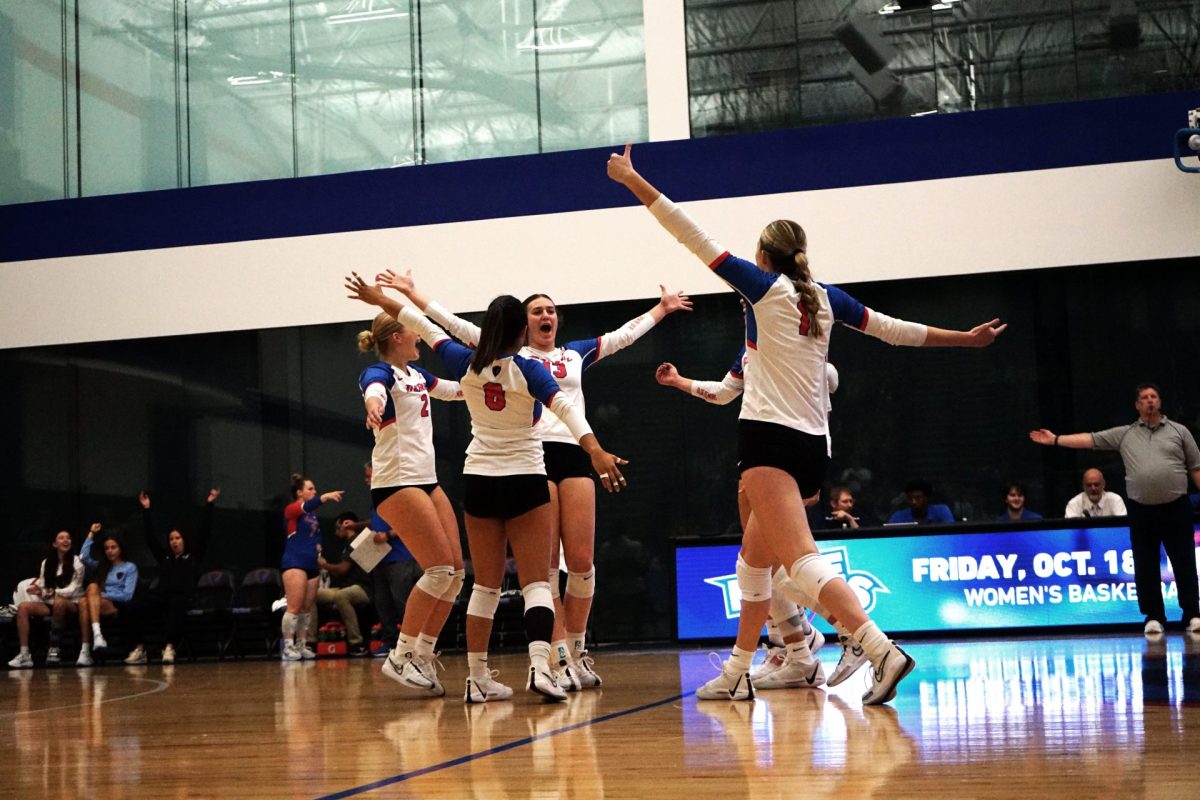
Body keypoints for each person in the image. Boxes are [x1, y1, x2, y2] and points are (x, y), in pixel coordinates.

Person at [607, 142, 1004, 704]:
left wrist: (632, 180)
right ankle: (748, 667)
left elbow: (690, 233)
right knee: (753, 563)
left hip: (768, 439)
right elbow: (896, 329)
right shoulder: (823, 299)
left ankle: (876, 645)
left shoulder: (762, 289)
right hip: (812, 445)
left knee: (799, 558)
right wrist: (964, 338)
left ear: (764, 257)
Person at [381, 269, 689, 689]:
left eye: (550, 310)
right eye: (536, 311)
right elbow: (446, 322)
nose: (545, 315)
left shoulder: (571, 354)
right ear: (523, 324)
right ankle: (552, 660)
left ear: (557, 320)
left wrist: (661, 309)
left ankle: (572, 654)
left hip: (554, 459)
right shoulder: (518, 361)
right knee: (540, 574)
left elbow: (623, 336)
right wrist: (413, 293)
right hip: (533, 459)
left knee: (579, 564)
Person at [346, 273, 627, 703]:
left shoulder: (464, 361)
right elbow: (567, 409)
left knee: (483, 586)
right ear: (521, 332)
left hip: (478, 480)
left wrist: (381, 298)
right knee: (536, 583)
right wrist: (596, 450)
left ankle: (476, 677)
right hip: (525, 478)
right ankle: (541, 667)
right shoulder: (530, 370)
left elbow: (428, 327)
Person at [1030, 383, 1200, 636]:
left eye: (1154, 396)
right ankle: (1154, 616)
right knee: (1145, 564)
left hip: (1176, 507)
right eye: (1144, 398)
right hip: (1142, 511)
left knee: (1184, 562)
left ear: (1160, 402)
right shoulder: (1126, 434)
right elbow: (1091, 439)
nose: (1150, 401)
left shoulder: (1180, 431)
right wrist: (1055, 439)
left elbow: (1196, 468)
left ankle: (1193, 614)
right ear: (1137, 405)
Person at [356, 309, 466, 694]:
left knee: (454, 574)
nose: (420, 335)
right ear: (396, 337)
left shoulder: (417, 376)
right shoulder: (383, 374)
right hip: (397, 483)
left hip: (426, 481)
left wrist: (490, 383)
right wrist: (373, 404)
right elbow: (372, 385)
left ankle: (422, 655)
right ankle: (399, 655)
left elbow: (454, 391)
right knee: (437, 570)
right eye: (413, 330)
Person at [124, 489, 219, 665]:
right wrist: (146, 510)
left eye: (177, 538)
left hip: (183, 597)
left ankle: (169, 647)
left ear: (184, 540)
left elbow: (205, 532)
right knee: (133, 607)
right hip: (163, 596)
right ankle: (139, 648)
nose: (174, 541)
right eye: (171, 539)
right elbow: (150, 539)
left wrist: (209, 504)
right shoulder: (165, 558)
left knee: (176, 604)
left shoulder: (193, 556)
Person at [281, 474, 343, 661]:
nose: (314, 492)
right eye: (310, 489)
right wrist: (325, 497)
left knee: (307, 608)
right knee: (294, 606)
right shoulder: (292, 510)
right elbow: (308, 505)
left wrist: (318, 546)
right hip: (295, 563)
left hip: (311, 565)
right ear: (299, 492)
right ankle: (288, 647)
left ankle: (301, 645)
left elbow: (314, 535)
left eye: (315, 490)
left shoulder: (312, 516)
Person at [7, 530, 85, 668]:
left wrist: (52, 592)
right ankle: (24, 654)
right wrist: (39, 590)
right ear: (55, 544)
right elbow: (43, 585)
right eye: (61, 538)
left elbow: (74, 589)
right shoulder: (47, 563)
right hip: (50, 602)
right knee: (23, 607)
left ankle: (54, 647)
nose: (66, 540)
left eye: (68, 538)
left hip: (72, 604)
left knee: (60, 602)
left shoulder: (77, 562)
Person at [307, 511, 375, 658]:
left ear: (346, 525)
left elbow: (342, 569)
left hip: (365, 588)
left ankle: (357, 644)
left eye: (337, 528)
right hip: (346, 587)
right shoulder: (347, 544)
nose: (336, 532)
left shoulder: (361, 541)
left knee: (341, 596)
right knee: (311, 595)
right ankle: (310, 643)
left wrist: (324, 565)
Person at [77, 527, 139, 666]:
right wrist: (91, 533)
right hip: (97, 604)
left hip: (116, 606)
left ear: (120, 549)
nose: (110, 551)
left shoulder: (130, 567)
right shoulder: (102, 566)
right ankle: (92, 642)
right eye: (107, 548)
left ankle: (86, 649)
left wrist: (104, 595)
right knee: (83, 600)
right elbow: (84, 557)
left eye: (113, 547)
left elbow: (127, 596)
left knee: (91, 591)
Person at [1063, 468, 1128, 518]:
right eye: (1089, 485)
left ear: (1103, 484)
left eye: (1096, 484)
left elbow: (1123, 526)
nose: (1093, 488)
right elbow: (1071, 530)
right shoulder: (1074, 503)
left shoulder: (1115, 500)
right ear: (1083, 486)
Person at [887, 480, 955, 525]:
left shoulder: (942, 511)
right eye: (910, 498)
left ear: (926, 498)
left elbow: (952, 534)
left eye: (918, 498)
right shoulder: (898, 516)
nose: (913, 502)